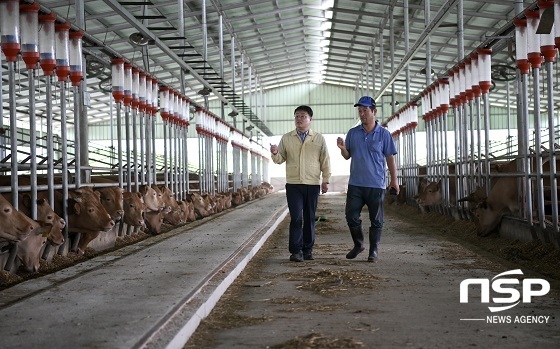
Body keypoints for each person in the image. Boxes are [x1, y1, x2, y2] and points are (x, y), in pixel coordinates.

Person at [337, 96, 399, 262]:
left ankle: (374, 250)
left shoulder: (384, 135)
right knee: (351, 216)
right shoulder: (353, 133)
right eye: (360, 111)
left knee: (376, 219)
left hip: (376, 184)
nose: (362, 114)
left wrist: (394, 180)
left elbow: (390, 158)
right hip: (356, 184)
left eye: (365, 110)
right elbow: (347, 156)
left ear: (374, 111)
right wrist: (343, 149)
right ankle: (359, 244)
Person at [270, 105, 331, 262]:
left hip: (312, 184)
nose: (299, 119)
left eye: (303, 116)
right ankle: (296, 251)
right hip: (294, 184)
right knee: (296, 217)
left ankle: (308, 249)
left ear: (310, 119)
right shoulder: (287, 138)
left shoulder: (318, 139)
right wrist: (275, 153)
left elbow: (325, 161)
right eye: (297, 116)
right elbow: (279, 160)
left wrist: (326, 180)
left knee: (310, 217)